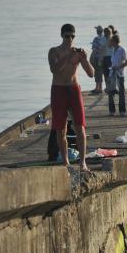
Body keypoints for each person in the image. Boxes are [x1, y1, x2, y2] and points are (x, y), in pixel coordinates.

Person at [48, 24, 94, 171]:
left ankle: (82, 162)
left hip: (74, 89)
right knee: (61, 128)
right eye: (67, 36)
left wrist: (85, 59)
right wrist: (68, 56)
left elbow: (91, 73)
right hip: (59, 89)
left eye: (72, 36)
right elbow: (54, 70)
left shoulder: (78, 53)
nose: (70, 39)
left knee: (80, 126)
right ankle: (66, 162)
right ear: (62, 35)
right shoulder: (54, 51)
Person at [108, 35, 127, 116]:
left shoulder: (122, 50)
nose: (110, 42)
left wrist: (118, 67)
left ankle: (122, 111)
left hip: (120, 74)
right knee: (110, 92)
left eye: (111, 41)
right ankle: (112, 111)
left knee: (121, 93)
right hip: (112, 73)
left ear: (114, 41)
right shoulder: (112, 50)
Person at [90, 25, 106, 94]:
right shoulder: (105, 38)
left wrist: (91, 58)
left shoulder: (96, 38)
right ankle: (100, 87)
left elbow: (94, 49)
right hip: (104, 57)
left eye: (97, 30)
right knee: (100, 72)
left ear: (97, 31)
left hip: (97, 57)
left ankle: (98, 88)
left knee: (97, 72)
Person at [101, 27, 113, 92]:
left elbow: (102, 49)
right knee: (110, 73)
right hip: (111, 57)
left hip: (106, 57)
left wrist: (101, 58)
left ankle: (108, 87)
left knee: (106, 73)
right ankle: (110, 87)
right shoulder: (112, 39)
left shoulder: (104, 39)